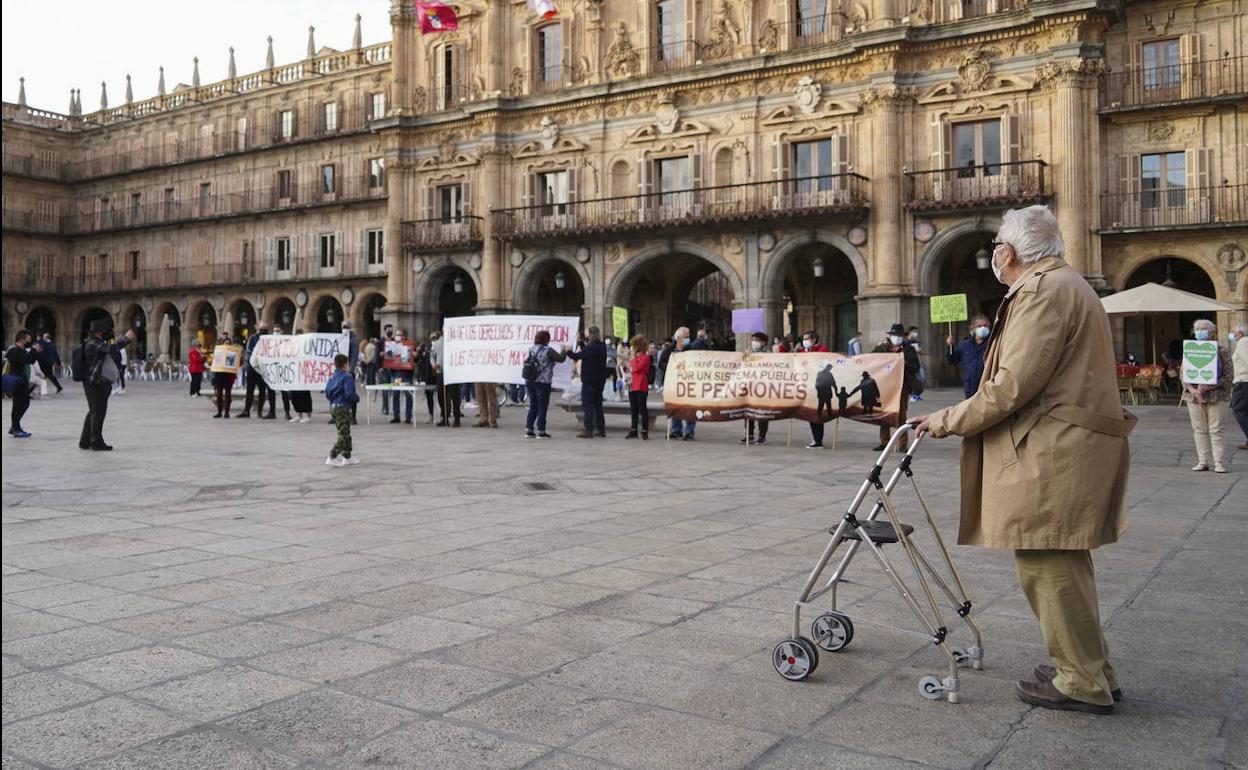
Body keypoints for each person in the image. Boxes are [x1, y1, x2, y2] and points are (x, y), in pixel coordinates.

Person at [911, 204, 1136, 715]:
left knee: (1047, 562)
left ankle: (1081, 680)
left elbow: (1013, 384)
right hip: (1064, 444)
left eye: (995, 247)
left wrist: (945, 419)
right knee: (1063, 562)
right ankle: (1091, 667)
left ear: (1007, 252)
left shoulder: (1042, 291)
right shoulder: (1068, 283)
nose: (993, 255)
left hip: (1053, 449)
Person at [1182, 319, 1233, 473]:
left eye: (1203, 328)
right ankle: (1202, 461)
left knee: (1216, 429)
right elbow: (1183, 372)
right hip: (1194, 397)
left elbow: (1229, 375)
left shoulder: (1222, 350)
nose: (1199, 331)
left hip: (1217, 396)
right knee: (1199, 429)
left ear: (1212, 332)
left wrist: (1208, 386)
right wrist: (1191, 389)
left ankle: (1219, 462)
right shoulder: (1190, 349)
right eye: (1197, 328)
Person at [80, 320, 135, 451]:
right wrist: (126, 339)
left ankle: (85, 441)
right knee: (98, 412)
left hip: (94, 382)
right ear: (98, 332)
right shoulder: (93, 343)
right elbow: (111, 348)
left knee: (93, 411)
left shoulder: (91, 342)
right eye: (103, 331)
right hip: (96, 382)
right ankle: (96, 442)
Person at [872, 323, 921, 451]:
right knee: (884, 413)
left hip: (901, 386)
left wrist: (904, 362)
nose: (896, 337)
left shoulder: (909, 349)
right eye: (894, 335)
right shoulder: (883, 348)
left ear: (903, 336)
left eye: (898, 335)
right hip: (885, 386)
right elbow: (871, 359)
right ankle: (884, 442)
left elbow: (916, 367)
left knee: (901, 415)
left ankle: (902, 443)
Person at [523, 329, 568, 438]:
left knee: (533, 405)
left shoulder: (531, 349)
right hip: (543, 382)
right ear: (547, 339)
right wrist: (564, 350)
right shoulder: (548, 350)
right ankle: (541, 430)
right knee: (542, 406)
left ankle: (529, 429)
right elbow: (561, 359)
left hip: (530, 380)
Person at [568, 325, 608, 438]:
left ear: (591, 334)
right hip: (600, 379)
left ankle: (588, 429)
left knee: (588, 405)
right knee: (598, 405)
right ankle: (601, 429)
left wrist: (567, 351)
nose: (585, 335)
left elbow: (577, 356)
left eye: (587, 333)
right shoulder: (601, 346)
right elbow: (586, 351)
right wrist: (580, 343)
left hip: (590, 379)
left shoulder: (591, 347)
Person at [324, 353, 360, 466]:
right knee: (343, 435)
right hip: (342, 407)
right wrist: (356, 398)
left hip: (334, 406)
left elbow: (327, 392)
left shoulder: (332, 376)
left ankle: (347, 456)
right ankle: (332, 456)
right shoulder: (347, 377)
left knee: (345, 432)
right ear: (345, 365)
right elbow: (349, 393)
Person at [5, 330, 42, 438]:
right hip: (17, 381)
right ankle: (15, 428)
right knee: (19, 405)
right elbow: (26, 359)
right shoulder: (14, 350)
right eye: (28, 338)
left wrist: (35, 352)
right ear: (22, 338)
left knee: (23, 404)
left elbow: (30, 360)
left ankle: (15, 426)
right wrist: (33, 350)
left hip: (22, 380)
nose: (29, 340)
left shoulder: (21, 350)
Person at [945, 315, 992, 398]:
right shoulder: (965, 345)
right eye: (979, 326)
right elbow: (952, 361)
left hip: (988, 386)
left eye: (985, 326)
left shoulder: (993, 343)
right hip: (970, 387)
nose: (982, 328)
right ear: (973, 328)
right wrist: (950, 347)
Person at [798, 330, 830, 449]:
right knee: (811, 413)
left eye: (807, 339)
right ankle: (816, 439)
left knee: (817, 413)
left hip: (819, 386)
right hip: (807, 386)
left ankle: (818, 440)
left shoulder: (822, 350)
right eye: (804, 339)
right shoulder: (803, 351)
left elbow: (822, 363)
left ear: (813, 340)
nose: (804, 341)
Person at [668, 326, 700, 440]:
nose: (687, 339)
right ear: (678, 338)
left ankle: (689, 430)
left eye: (688, 337)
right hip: (674, 383)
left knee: (689, 407)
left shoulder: (692, 350)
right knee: (675, 406)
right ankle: (676, 430)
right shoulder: (670, 350)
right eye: (685, 337)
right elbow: (662, 363)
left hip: (688, 383)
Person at [742, 332, 771, 445]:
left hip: (762, 387)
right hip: (749, 386)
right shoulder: (748, 353)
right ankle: (749, 434)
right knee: (747, 411)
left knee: (762, 412)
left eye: (757, 340)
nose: (754, 343)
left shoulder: (769, 354)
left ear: (763, 342)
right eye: (753, 340)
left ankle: (762, 436)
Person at [382, 328, 416, 425]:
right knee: (395, 395)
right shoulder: (391, 345)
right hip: (395, 372)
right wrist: (385, 356)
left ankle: (408, 417)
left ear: (404, 336)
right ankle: (396, 416)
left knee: (408, 395)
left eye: (400, 335)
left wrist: (415, 356)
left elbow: (416, 360)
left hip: (406, 373)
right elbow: (389, 357)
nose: (397, 337)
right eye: (397, 335)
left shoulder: (410, 345)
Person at [238, 322, 271, 418]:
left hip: (263, 369)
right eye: (261, 329)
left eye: (265, 330)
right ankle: (246, 410)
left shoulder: (270, 339)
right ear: (258, 329)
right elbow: (249, 350)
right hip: (253, 367)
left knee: (262, 390)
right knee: (250, 390)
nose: (263, 331)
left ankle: (259, 411)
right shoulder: (253, 338)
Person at [430, 330, 462, 427]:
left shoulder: (456, 342)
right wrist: (434, 364)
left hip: (453, 371)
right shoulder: (437, 343)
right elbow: (432, 356)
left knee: (455, 395)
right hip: (441, 371)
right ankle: (445, 416)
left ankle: (457, 418)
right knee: (441, 395)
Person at [625, 335, 651, 439]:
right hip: (632, 384)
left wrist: (632, 359)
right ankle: (633, 429)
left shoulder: (645, 357)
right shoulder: (635, 358)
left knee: (642, 408)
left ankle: (644, 430)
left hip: (641, 385)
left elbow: (637, 368)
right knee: (633, 409)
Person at [211, 334, 237, 418]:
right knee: (219, 394)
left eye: (228, 343)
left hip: (228, 375)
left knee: (228, 395)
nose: (227, 344)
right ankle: (219, 411)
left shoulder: (233, 352)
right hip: (219, 375)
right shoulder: (219, 351)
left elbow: (237, 362)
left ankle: (227, 412)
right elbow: (215, 361)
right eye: (225, 343)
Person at [1230, 323, 1247, 451]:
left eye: (1233, 332)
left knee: (1238, 409)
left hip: (1243, 382)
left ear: (1240, 333)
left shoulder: (1243, 342)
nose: (1231, 334)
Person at [907, 326, 925, 401]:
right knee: (915, 379)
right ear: (910, 332)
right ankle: (914, 395)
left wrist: (920, 351)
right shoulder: (906, 342)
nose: (916, 334)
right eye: (914, 332)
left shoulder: (916, 342)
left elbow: (920, 352)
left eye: (916, 332)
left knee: (922, 377)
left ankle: (917, 394)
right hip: (911, 363)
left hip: (919, 361)